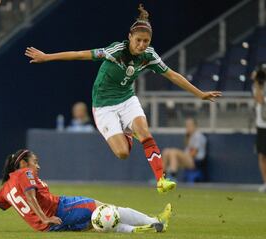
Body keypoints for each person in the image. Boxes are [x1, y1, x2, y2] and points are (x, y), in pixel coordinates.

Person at [24, 4, 221, 193]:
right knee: (123, 154)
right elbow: (80, 54)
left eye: (146, 41)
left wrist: (200, 94)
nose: (142, 45)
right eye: (138, 40)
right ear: (130, 37)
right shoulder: (115, 51)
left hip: (127, 99)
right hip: (103, 105)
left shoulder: (149, 56)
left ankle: (162, 179)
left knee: (144, 132)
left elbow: (172, 75)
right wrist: (47, 57)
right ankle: (128, 133)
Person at [0, 149, 172, 233]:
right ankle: (153, 221)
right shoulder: (24, 174)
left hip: (48, 227)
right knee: (106, 210)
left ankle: (140, 230)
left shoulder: (6, 187)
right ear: (24, 164)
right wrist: (45, 215)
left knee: (94, 225)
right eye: (35, 162)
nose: (38, 166)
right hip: (58, 210)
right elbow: (29, 195)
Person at [251, 63, 266, 192]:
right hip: (261, 125)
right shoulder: (256, 86)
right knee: (262, 155)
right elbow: (258, 100)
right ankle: (265, 182)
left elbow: (261, 100)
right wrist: (256, 83)